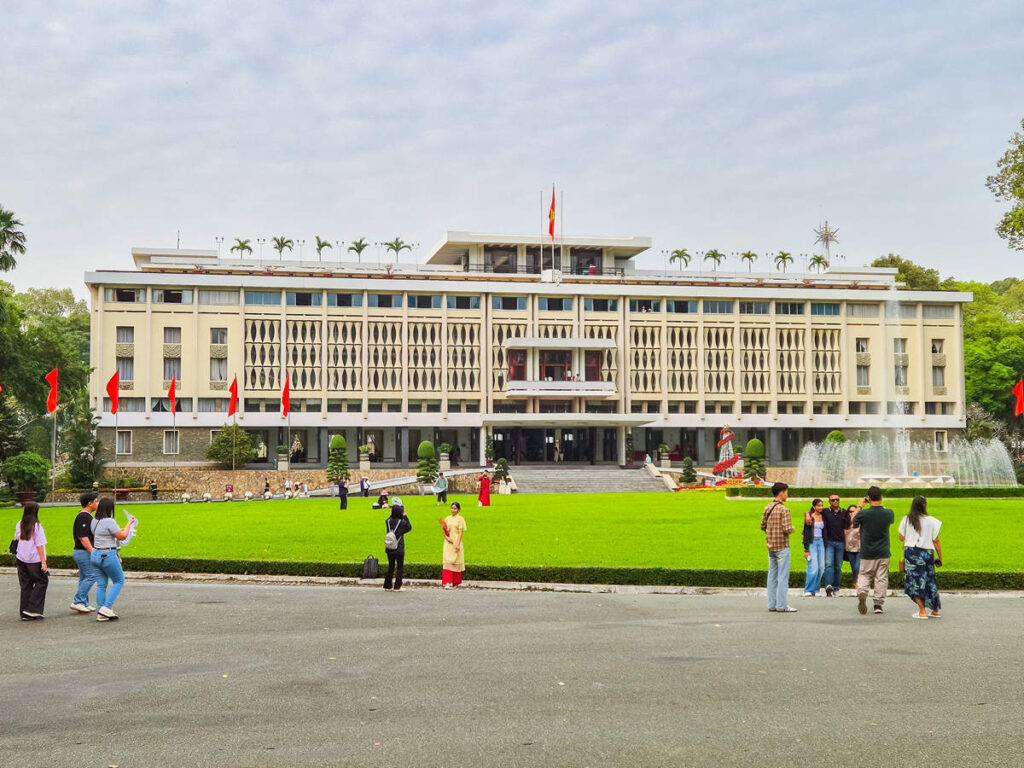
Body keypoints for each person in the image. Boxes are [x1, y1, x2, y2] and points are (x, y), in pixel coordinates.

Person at [90, 497, 137, 622]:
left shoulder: (94, 521)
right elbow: (122, 536)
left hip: (95, 554)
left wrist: (121, 529)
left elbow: (109, 533)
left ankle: (101, 611)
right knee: (119, 580)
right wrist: (129, 523)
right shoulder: (109, 521)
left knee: (101, 584)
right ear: (110, 508)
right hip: (107, 555)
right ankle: (106, 607)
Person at [899, 496, 943, 619]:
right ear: (925, 506)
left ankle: (922, 611)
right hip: (928, 552)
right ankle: (935, 609)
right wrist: (940, 557)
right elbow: (936, 541)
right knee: (930, 580)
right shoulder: (932, 521)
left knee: (915, 581)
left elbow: (901, 537)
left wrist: (911, 536)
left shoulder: (907, 519)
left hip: (912, 553)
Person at [853, 486, 895, 615]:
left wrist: (860, 505)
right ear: (881, 497)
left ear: (868, 498)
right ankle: (878, 604)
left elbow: (852, 519)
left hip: (867, 551)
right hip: (883, 550)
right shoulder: (889, 513)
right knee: (881, 578)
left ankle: (862, 591)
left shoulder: (864, 513)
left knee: (864, 574)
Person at [761, 482, 797, 613]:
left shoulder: (767, 507)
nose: (787, 495)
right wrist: (793, 529)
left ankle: (772, 604)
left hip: (771, 546)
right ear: (781, 493)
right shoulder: (784, 509)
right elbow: (787, 528)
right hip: (782, 546)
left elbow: (763, 526)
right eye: (786, 492)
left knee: (772, 576)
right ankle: (782, 605)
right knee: (783, 577)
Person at [14, 502, 48, 620]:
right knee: (42, 581)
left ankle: (24, 612)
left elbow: (17, 537)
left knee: (26, 585)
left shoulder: (20, 524)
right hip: (34, 559)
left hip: (21, 557)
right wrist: (43, 562)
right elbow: (40, 545)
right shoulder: (37, 526)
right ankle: (32, 609)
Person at [70, 491, 99, 614]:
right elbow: (83, 537)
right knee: (91, 576)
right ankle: (78, 601)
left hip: (82, 551)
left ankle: (83, 603)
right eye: (96, 501)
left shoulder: (86, 516)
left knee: (84, 577)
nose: (97, 503)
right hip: (83, 552)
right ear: (89, 503)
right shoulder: (83, 516)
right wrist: (92, 551)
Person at [821, 494, 848, 596]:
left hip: (841, 542)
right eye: (833, 500)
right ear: (829, 502)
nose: (835, 501)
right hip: (829, 542)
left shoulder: (844, 512)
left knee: (838, 566)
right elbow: (813, 511)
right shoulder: (825, 511)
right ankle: (828, 586)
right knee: (829, 564)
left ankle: (836, 587)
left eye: (837, 499)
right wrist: (807, 514)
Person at [383, 497, 412, 591]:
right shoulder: (402, 522)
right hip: (399, 547)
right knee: (399, 567)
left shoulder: (387, 521)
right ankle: (397, 586)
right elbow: (409, 527)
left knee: (391, 566)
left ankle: (388, 585)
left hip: (389, 546)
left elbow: (390, 517)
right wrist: (404, 515)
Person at [440, 501, 467, 588]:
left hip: (456, 542)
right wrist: (447, 538)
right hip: (448, 544)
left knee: (456, 561)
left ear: (458, 510)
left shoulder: (461, 519)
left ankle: (455, 583)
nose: (453, 510)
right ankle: (447, 582)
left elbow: (460, 533)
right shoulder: (447, 518)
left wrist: (457, 544)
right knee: (447, 562)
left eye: (455, 509)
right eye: (452, 508)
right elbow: (445, 531)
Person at [801, 498, 825, 597]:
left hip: (821, 542)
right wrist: (806, 549)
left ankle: (816, 589)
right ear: (814, 506)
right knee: (813, 567)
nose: (820, 507)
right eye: (818, 505)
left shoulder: (824, 516)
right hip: (812, 543)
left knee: (821, 568)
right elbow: (805, 533)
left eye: (822, 505)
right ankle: (808, 589)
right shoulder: (810, 517)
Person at [844, 503, 862, 584]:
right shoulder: (845, 523)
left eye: (854, 511)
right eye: (850, 511)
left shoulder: (861, 523)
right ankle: (856, 583)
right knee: (854, 568)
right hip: (849, 549)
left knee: (857, 567)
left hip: (859, 548)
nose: (852, 513)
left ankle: (857, 583)